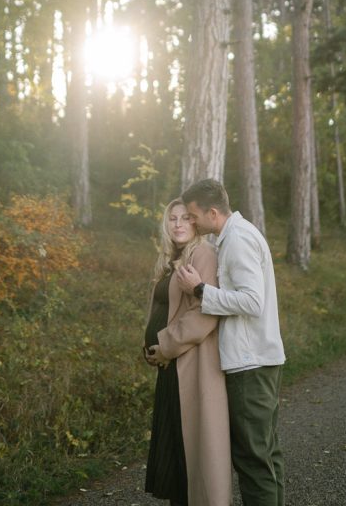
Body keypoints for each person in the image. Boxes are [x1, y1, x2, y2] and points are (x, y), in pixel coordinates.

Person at [177, 179, 285, 506]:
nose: (191, 222)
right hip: (258, 359)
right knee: (265, 454)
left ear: (212, 212)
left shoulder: (237, 239)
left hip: (249, 363)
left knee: (252, 458)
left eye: (194, 216)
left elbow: (252, 301)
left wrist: (200, 290)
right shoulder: (236, 235)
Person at [143, 198, 232, 506]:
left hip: (191, 367)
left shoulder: (204, 254)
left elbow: (205, 312)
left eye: (185, 218)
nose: (178, 223)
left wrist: (166, 345)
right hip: (171, 370)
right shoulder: (172, 259)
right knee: (174, 454)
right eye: (172, 218)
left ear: (196, 223)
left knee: (191, 453)